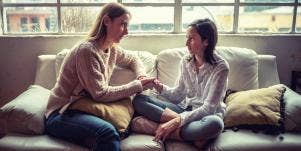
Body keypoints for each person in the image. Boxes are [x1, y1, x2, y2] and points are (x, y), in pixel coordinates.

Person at [44, 2, 154, 151]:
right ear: (107, 21)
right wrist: (137, 85)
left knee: (123, 126)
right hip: (62, 112)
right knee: (107, 132)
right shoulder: (87, 51)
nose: (126, 31)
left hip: (84, 108)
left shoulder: (111, 48)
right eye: (123, 24)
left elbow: (133, 59)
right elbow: (100, 94)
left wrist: (141, 75)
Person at [132, 18, 229, 148]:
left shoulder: (221, 68)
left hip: (206, 116)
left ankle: (154, 128)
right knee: (139, 100)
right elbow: (178, 94)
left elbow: (208, 109)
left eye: (191, 39)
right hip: (184, 109)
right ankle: (193, 137)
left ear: (206, 41)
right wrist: (158, 86)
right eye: (186, 38)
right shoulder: (186, 61)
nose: (186, 43)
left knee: (215, 125)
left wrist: (178, 121)